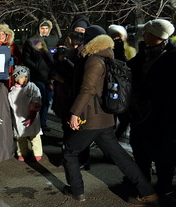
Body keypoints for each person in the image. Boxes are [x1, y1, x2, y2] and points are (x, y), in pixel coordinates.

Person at [62, 25, 158, 206]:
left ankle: (77, 191)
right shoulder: (107, 57)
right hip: (105, 118)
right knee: (120, 156)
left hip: (92, 119)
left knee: (69, 152)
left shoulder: (93, 61)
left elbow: (87, 90)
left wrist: (75, 113)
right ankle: (148, 192)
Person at [126, 19, 176, 197]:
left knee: (164, 150)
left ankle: (164, 185)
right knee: (139, 146)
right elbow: (130, 68)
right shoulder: (144, 52)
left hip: (163, 113)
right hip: (140, 111)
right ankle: (143, 180)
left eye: (146, 32)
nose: (143, 35)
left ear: (156, 36)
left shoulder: (171, 57)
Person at [51, 31, 90, 170]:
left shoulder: (80, 57)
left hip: (71, 99)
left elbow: (78, 80)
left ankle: (80, 160)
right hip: (64, 98)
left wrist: (62, 78)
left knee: (75, 132)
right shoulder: (69, 55)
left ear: (71, 40)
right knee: (68, 130)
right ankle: (71, 158)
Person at [22, 19, 57, 131]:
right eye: (43, 28)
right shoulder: (33, 40)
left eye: (47, 28)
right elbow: (26, 58)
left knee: (47, 101)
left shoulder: (53, 39)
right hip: (38, 76)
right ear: (39, 28)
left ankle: (43, 123)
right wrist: (35, 68)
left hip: (50, 76)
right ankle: (35, 123)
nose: (45, 30)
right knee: (39, 100)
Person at [8, 66, 43, 162]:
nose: (23, 79)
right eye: (21, 77)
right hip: (18, 117)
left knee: (34, 136)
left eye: (24, 77)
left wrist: (33, 112)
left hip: (32, 116)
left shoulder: (32, 87)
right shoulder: (12, 91)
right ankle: (22, 153)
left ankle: (37, 154)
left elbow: (37, 98)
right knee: (20, 137)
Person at [0, 23, 22, 89]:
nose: (1, 36)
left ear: (7, 35)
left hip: (9, 75)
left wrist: (14, 60)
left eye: (3, 34)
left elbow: (20, 58)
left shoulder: (12, 46)